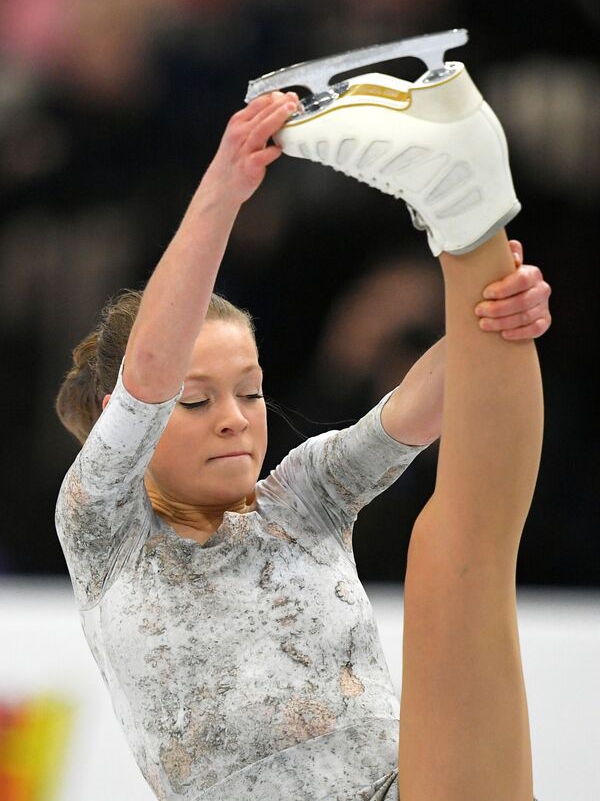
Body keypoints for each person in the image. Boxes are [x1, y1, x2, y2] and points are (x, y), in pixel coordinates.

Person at [55, 90, 549, 799]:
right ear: (117, 425)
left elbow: (423, 404)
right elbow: (148, 378)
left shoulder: (302, 496)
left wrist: (496, 302)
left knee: (460, 531)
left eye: (250, 391)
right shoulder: (102, 529)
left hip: (412, 787)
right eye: (196, 401)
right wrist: (222, 190)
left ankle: (466, 220)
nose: (234, 418)